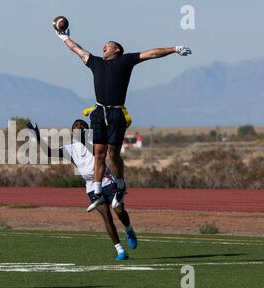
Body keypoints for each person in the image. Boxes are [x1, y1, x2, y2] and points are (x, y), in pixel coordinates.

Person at [55, 27, 192, 212]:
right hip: (98, 112)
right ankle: (97, 193)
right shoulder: (95, 62)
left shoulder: (126, 61)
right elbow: (77, 49)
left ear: (117, 50)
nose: (104, 47)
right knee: (99, 154)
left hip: (116, 114)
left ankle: (120, 186)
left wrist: (175, 49)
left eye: (108, 45)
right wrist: (64, 37)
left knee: (113, 154)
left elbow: (152, 53)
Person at [27, 119, 137, 261]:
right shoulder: (70, 149)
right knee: (107, 218)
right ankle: (120, 250)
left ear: (88, 130)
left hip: (106, 180)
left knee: (119, 210)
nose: (79, 127)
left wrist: (86, 138)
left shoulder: (96, 143)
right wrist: (37, 135)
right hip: (91, 185)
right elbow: (49, 152)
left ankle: (128, 229)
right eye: (76, 126)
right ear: (73, 132)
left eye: (82, 125)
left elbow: (99, 154)